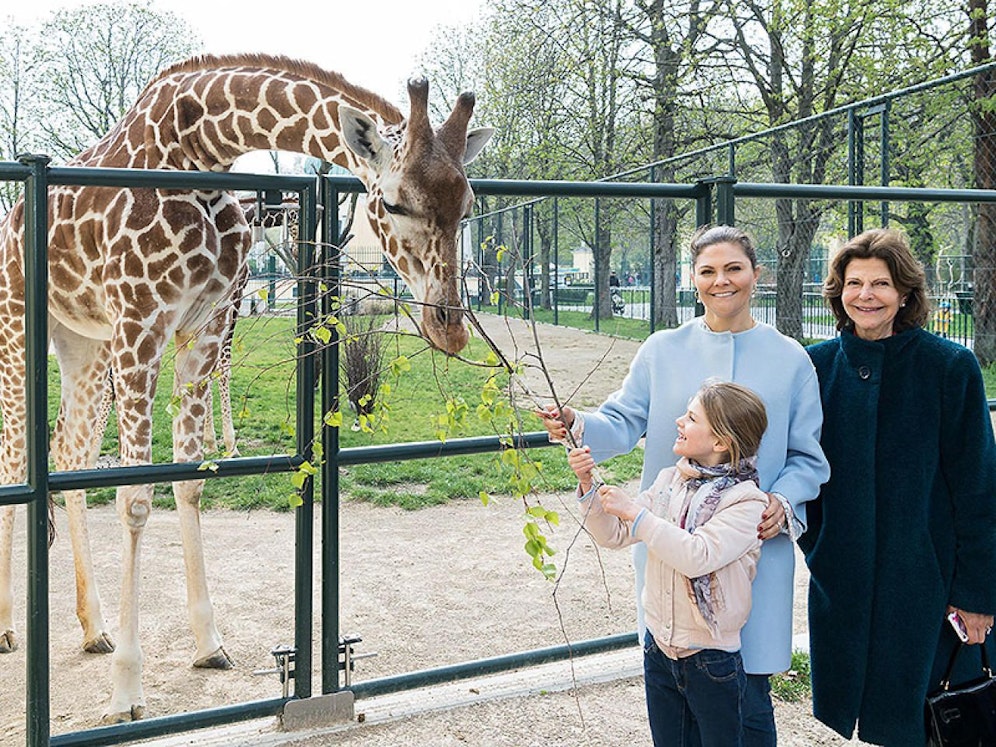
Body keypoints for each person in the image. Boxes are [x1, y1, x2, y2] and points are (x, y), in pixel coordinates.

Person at [538, 224, 829, 746]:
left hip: (752, 547)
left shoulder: (792, 360)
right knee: (675, 685)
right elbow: (623, 420)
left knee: (749, 695)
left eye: (734, 268)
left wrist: (782, 503)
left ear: (756, 276)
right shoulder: (660, 349)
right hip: (673, 540)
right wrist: (576, 423)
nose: (723, 281)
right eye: (708, 271)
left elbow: (809, 457)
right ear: (692, 280)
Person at [802, 227, 996, 745]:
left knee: (927, 718)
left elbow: (978, 487)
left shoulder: (948, 368)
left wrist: (977, 593)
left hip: (927, 581)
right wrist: (818, 545)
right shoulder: (817, 366)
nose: (865, 295)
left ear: (905, 293)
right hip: (842, 573)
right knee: (871, 714)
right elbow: (797, 463)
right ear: (838, 291)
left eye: (881, 283)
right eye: (854, 282)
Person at [568, 380, 770, 746]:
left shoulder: (746, 502)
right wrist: (588, 486)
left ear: (721, 442)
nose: (679, 421)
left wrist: (637, 515)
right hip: (658, 650)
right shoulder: (669, 482)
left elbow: (697, 555)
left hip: (711, 660)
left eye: (691, 417)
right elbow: (613, 534)